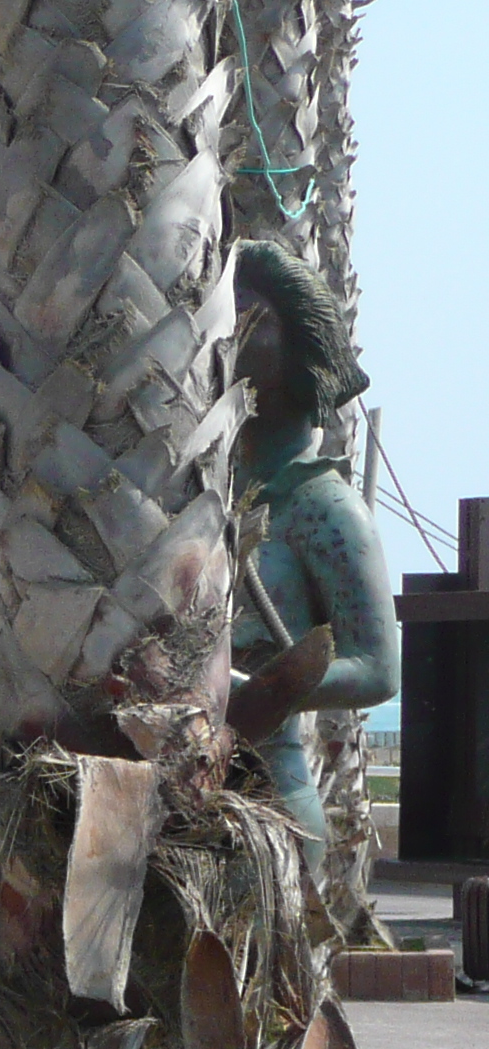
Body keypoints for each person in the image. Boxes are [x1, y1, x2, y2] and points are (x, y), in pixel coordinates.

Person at [226, 239, 397, 916]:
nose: (230, 332)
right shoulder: (200, 491)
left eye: (252, 319)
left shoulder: (323, 506)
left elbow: (379, 668)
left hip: (269, 806)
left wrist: (268, 691)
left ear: (300, 350)